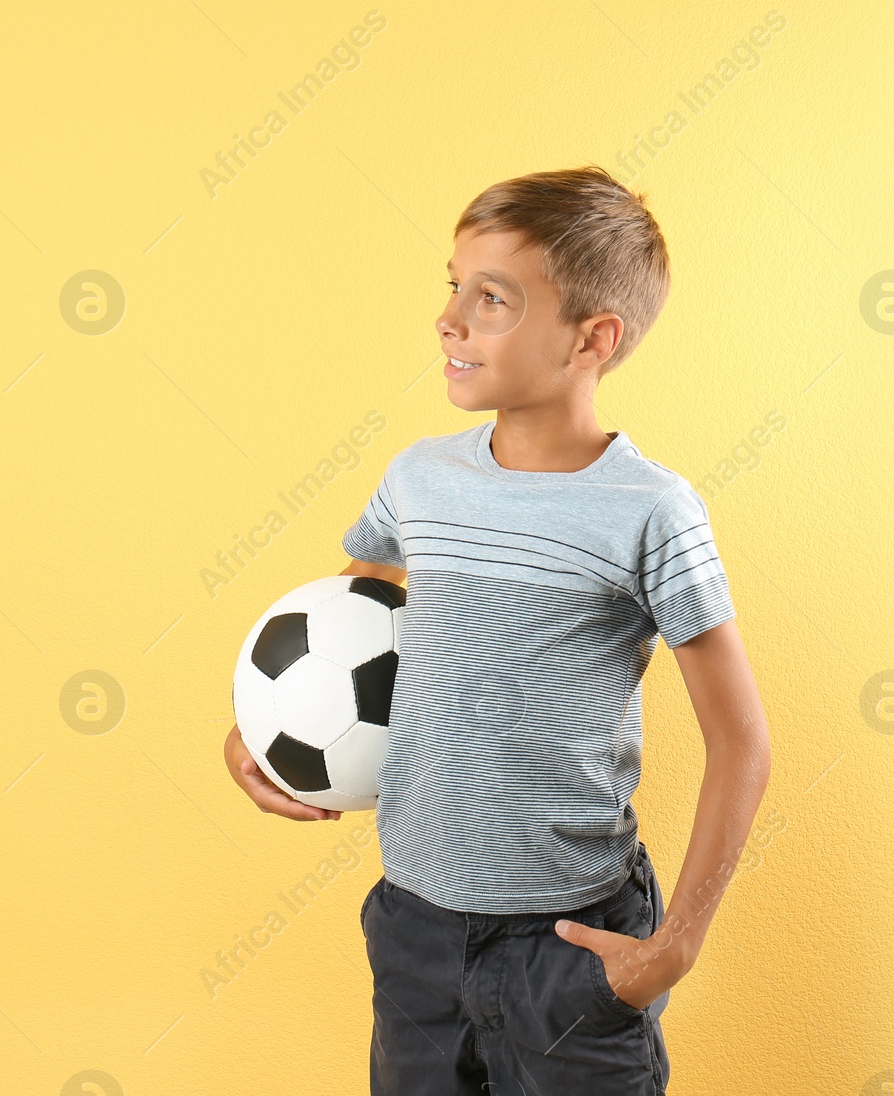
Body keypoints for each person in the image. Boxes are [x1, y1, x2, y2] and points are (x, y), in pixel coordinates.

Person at [222, 165, 771, 1093]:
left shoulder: (650, 512)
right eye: (453, 287)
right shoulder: (420, 479)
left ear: (592, 338)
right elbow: (343, 629)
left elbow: (742, 741)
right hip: (415, 931)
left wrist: (672, 946)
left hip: (568, 946)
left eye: (494, 299)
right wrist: (263, 731)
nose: (450, 319)